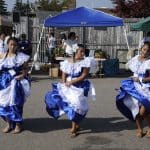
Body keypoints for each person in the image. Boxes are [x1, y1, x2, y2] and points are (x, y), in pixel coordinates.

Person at [45, 44, 96, 137]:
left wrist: (72, 82)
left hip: (80, 86)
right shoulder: (67, 61)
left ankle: (75, 126)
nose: (83, 53)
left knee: (78, 105)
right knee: (70, 105)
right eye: (81, 51)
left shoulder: (86, 61)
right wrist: (64, 83)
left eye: (84, 51)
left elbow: (83, 75)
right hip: (69, 85)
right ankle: (74, 126)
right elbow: (64, 73)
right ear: (75, 52)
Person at [116, 42, 150, 138]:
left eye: (148, 50)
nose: (146, 52)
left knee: (143, 111)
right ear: (140, 49)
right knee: (135, 110)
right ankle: (139, 129)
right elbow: (128, 67)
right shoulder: (135, 58)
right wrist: (129, 60)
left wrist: (141, 79)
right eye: (144, 49)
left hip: (145, 88)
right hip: (133, 87)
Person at [0, 37, 31, 134]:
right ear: (7, 45)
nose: (12, 46)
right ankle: (9, 124)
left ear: (17, 46)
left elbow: (26, 69)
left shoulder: (21, 57)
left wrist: (23, 75)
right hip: (3, 83)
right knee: (4, 105)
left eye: (14, 45)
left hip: (16, 83)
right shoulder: (2, 55)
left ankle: (18, 125)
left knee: (16, 104)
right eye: (11, 44)